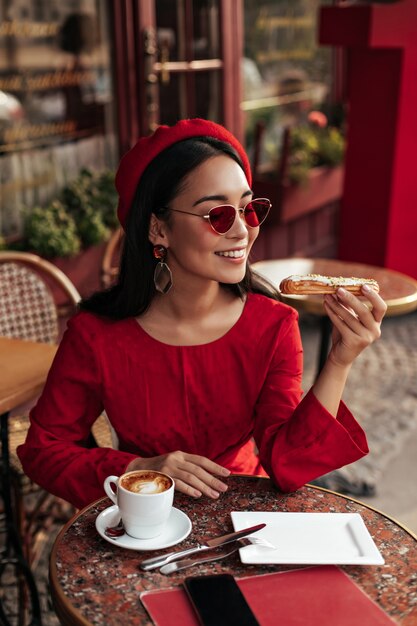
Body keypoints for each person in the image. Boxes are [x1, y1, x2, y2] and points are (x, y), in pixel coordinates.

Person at [18, 118, 387, 509]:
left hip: (248, 518)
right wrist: (139, 468)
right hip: (145, 520)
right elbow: (44, 451)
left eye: (248, 209)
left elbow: (288, 464)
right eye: (218, 216)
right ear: (158, 229)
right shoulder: (95, 335)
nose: (242, 231)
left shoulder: (273, 325)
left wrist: (339, 361)